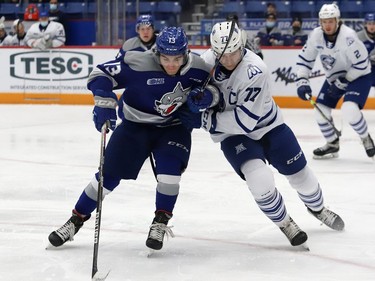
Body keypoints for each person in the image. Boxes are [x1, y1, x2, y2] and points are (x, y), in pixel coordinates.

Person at [177, 21, 345, 248]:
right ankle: (286, 223)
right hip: (232, 136)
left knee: (301, 177)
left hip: (269, 127)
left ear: (242, 45)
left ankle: (318, 208)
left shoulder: (255, 70)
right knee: (259, 178)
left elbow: (245, 122)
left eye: (233, 53)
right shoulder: (206, 62)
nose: (227, 59)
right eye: (221, 54)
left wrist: (203, 119)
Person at [47, 27, 213, 251]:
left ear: (186, 53)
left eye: (177, 58)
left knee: (170, 175)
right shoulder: (137, 63)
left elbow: (213, 93)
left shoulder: (200, 68)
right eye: (165, 58)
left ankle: (160, 221)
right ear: (157, 54)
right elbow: (99, 74)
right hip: (135, 126)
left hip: (173, 127)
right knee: (107, 178)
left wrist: (200, 107)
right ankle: (75, 219)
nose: (172, 64)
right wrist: (103, 100)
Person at [295, 4, 375, 159]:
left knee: (349, 109)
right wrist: (302, 80)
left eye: (330, 21)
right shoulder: (316, 36)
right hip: (334, 77)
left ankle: (366, 138)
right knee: (320, 112)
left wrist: (343, 82)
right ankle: (332, 143)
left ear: (337, 20)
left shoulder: (349, 37)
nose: (327, 25)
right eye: (324, 21)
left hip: (358, 75)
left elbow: (362, 64)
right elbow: (305, 60)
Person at [357, 13, 375, 88]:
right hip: (364, 69)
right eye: (369, 23)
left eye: (374, 23)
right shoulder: (358, 37)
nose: (372, 26)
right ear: (365, 24)